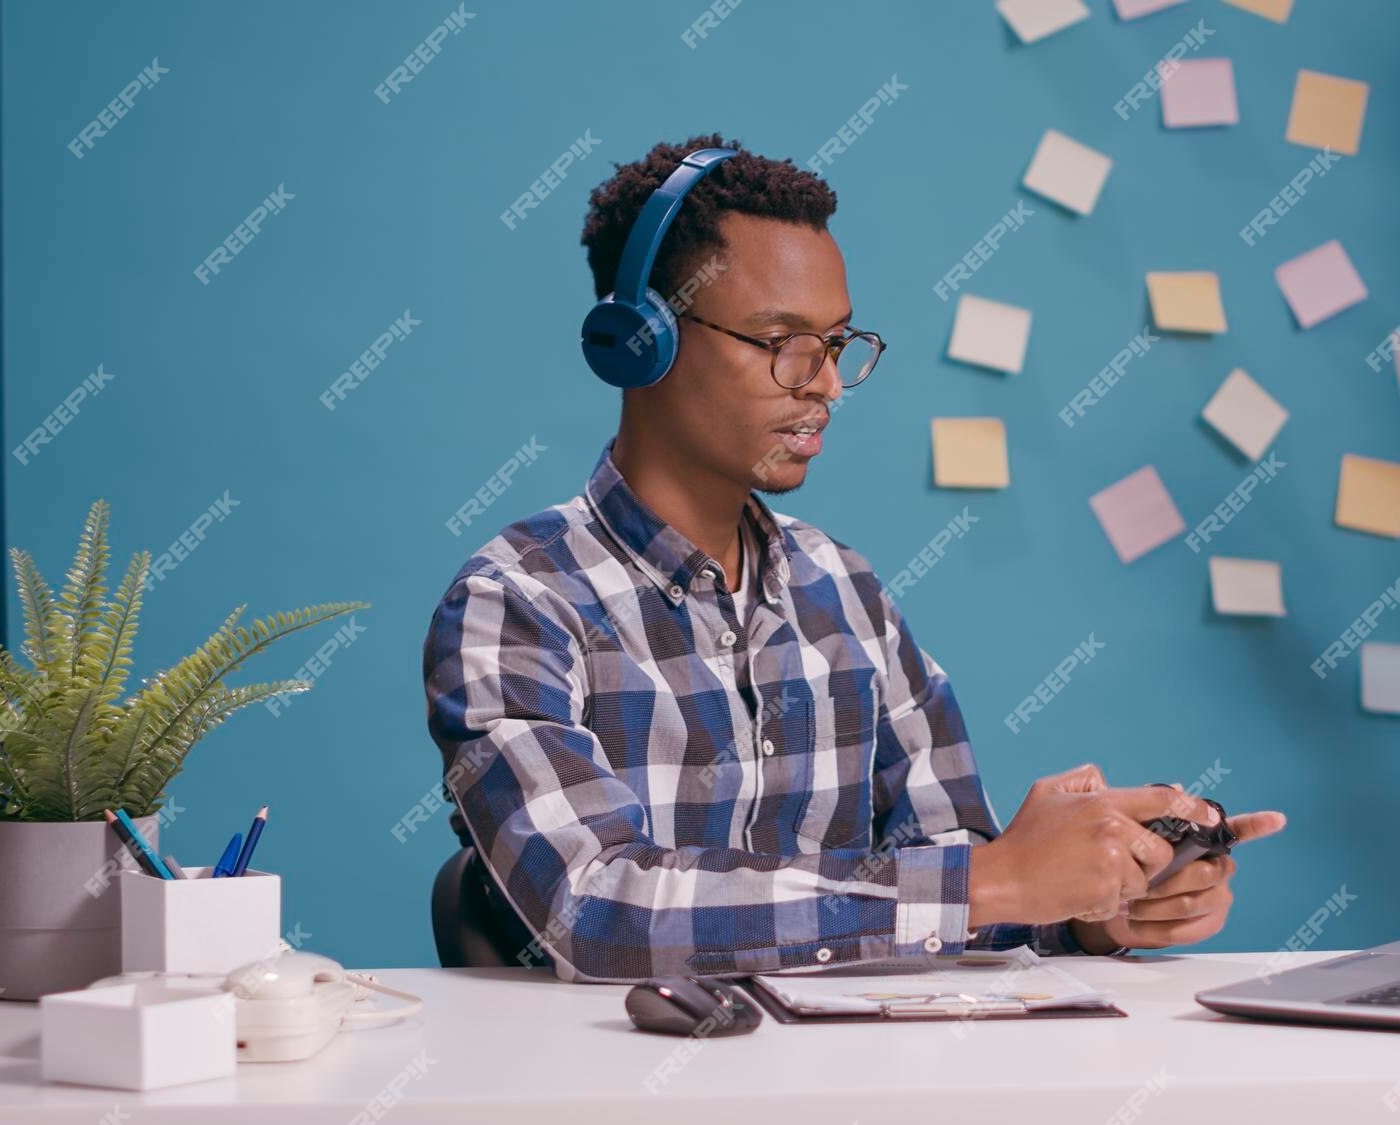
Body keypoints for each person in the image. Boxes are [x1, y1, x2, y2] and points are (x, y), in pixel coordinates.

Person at [421, 134, 1286, 982]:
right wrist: (989, 881)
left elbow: (951, 884)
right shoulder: (518, 600)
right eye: (783, 341)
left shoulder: (844, 589)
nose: (827, 384)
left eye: (836, 344)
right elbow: (592, 906)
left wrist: (1092, 908)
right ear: (642, 340)